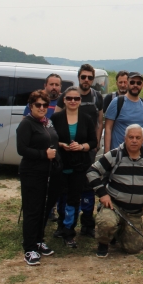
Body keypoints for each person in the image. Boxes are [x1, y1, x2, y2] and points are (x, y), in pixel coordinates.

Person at [87, 124, 143, 258]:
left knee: (133, 249)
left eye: (138, 138)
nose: (134, 140)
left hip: (135, 212)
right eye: (131, 137)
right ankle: (103, 243)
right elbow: (92, 172)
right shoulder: (114, 155)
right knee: (107, 222)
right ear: (124, 138)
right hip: (114, 206)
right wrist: (102, 194)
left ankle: (119, 232)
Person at [54, 64, 103, 238]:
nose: (87, 80)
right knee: (63, 190)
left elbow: (100, 122)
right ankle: (63, 224)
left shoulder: (97, 97)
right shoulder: (63, 100)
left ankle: (87, 224)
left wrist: (92, 146)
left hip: (86, 153)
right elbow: (54, 129)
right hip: (64, 156)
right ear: (79, 77)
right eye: (84, 77)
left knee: (86, 188)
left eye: (90, 78)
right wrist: (60, 145)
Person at [50, 86, 98, 248]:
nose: (72, 101)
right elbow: (48, 139)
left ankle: (69, 231)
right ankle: (60, 226)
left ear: (80, 101)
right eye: (69, 98)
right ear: (64, 100)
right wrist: (61, 145)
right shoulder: (56, 118)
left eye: (76, 99)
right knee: (60, 197)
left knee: (73, 199)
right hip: (60, 164)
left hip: (79, 165)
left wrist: (82, 146)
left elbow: (93, 142)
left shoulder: (86, 119)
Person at [16, 90, 59, 266]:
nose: (41, 108)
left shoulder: (47, 122)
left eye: (44, 105)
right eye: (37, 105)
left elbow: (53, 140)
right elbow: (22, 150)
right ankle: (29, 248)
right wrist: (44, 154)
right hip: (32, 173)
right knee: (32, 210)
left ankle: (39, 240)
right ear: (31, 106)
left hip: (47, 172)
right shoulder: (27, 124)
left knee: (43, 209)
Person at [104, 72, 143, 152]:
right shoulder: (117, 102)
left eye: (138, 83)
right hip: (119, 154)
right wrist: (107, 153)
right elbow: (108, 128)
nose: (135, 85)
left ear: (142, 85)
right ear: (127, 83)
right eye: (132, 82)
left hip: (141, 156)